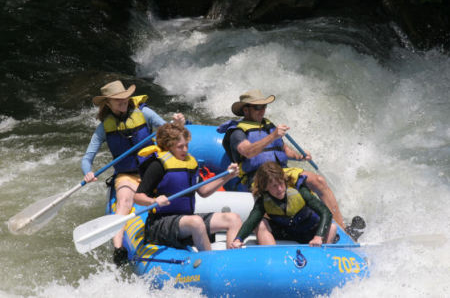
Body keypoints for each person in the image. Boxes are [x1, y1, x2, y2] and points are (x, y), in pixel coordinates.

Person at [81, 80, 185, 266]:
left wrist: (177, 124)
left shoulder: (144, 112)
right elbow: (87, 158)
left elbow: (168, 132)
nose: (123, 102)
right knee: (124, 202)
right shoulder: (104, 127)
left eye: (125, 98)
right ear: (108, 103)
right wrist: (88, 173)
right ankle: (118, 248)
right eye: (118, 100)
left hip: (152, 169)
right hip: (127, 175)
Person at [217, 89, 348, 234]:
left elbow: (284, 150)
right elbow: (247, 151)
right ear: (246, 110)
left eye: (264, 106)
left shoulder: (268, 125)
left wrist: (301, 156)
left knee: (318, 180)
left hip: (280, 172)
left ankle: (342, 229)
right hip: (258, 176)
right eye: (258, 107)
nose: (262, 110)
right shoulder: (237, 132)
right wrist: (272, 136)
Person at [134, 123, 242, 251]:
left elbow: (204, 191)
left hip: (185, 220)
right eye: (180, 147)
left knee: (233, 219)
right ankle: (209, 261)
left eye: (187, 145)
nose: (185, 150)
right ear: (168, 147)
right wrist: (153, 201)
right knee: (195, 222)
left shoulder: (190, 163)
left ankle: (233, 257)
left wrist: (227, 176)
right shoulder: (157, 165)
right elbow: (137, 197)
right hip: (160, 223)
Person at [231, 162, 337, 248]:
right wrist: (238, 239)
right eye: (274, 186)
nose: (280, 189)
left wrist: (318, 236)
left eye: (281, 183)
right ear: (265, 187)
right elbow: (252, 220)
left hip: (310, 231)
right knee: (260, 223)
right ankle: (272, 258)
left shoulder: (300, 190)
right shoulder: (264, 199)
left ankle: (321, 258)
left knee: (332, 228)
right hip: (287, 233)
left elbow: (326, 212)